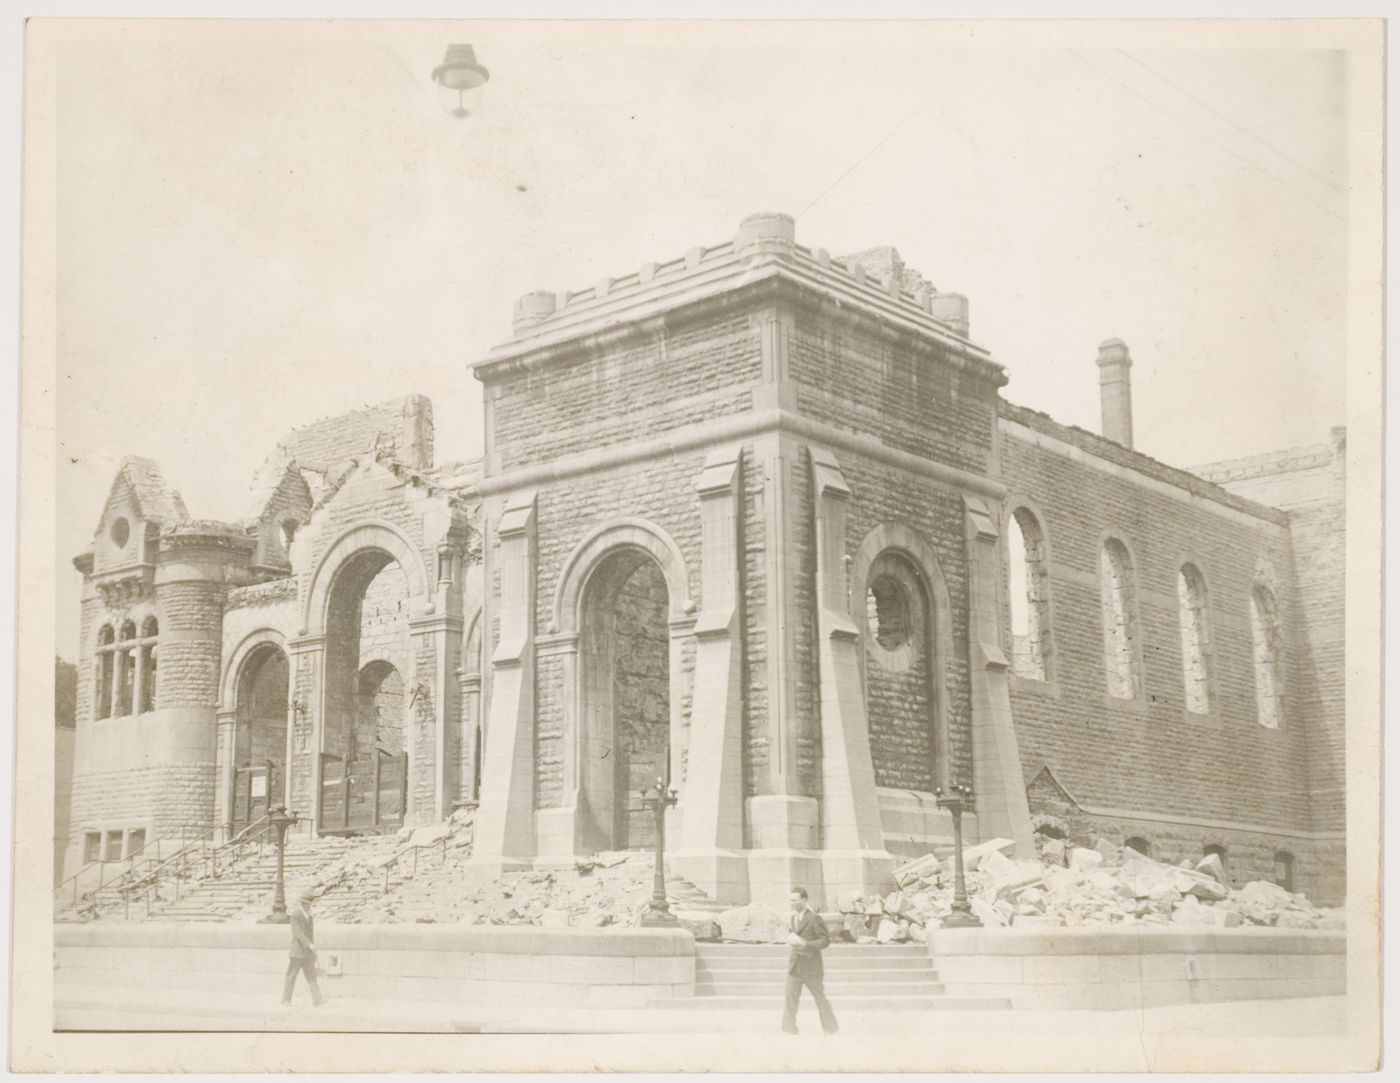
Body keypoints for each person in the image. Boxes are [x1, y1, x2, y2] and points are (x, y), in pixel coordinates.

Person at [781, 887, 838, 1035]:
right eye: (790, 900)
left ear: (804, 900)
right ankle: (789, 1029)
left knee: (819, 998)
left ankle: (830, 1028)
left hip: (812, 967)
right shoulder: (792, 918)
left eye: (795, 900)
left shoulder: (814, 918)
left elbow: (825, 940)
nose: (791, 903)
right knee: (790, 998)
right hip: (795, 966)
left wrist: (807, 945)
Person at [282, 889, 325, 1007]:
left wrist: (314, 950)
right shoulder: (295, 915)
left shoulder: (309, 917)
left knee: (311, 977)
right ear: (303, 904)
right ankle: (286, 1000)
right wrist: (309, 945)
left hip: (307, 953)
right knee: (291, 977)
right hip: (297, 952)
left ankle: (317, 1000)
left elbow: (311, 935)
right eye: (308, 904)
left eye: (310, 905)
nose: (309, 907)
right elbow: (298, 933)